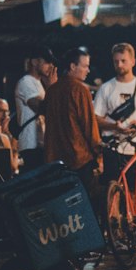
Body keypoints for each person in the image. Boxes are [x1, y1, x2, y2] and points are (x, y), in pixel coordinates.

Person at [42, 46, 102, 195]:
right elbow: (89, 125)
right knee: (88, 204)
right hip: (79, 159)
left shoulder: (52, 90)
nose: (88, 70)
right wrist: (98, 154)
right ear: (72, 66)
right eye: (85, 66)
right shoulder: (80, 90)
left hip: (54, 159)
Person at [93, 42, 136, 176]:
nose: (119, 65)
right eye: (116, 61)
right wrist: (113, 126)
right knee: (113, 186)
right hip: (112, 146)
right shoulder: (106, 88)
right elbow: (95, 118)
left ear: (133, 61)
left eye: (123, 61)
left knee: (135, 188)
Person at [13, 49, 51, 168]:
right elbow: (40, 107)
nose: (49, 66)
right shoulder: (26, 82)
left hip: (39, 143)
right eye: (46, 62)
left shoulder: (38, 83)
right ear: (34, 62)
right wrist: (51, 87)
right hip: (30, 143)